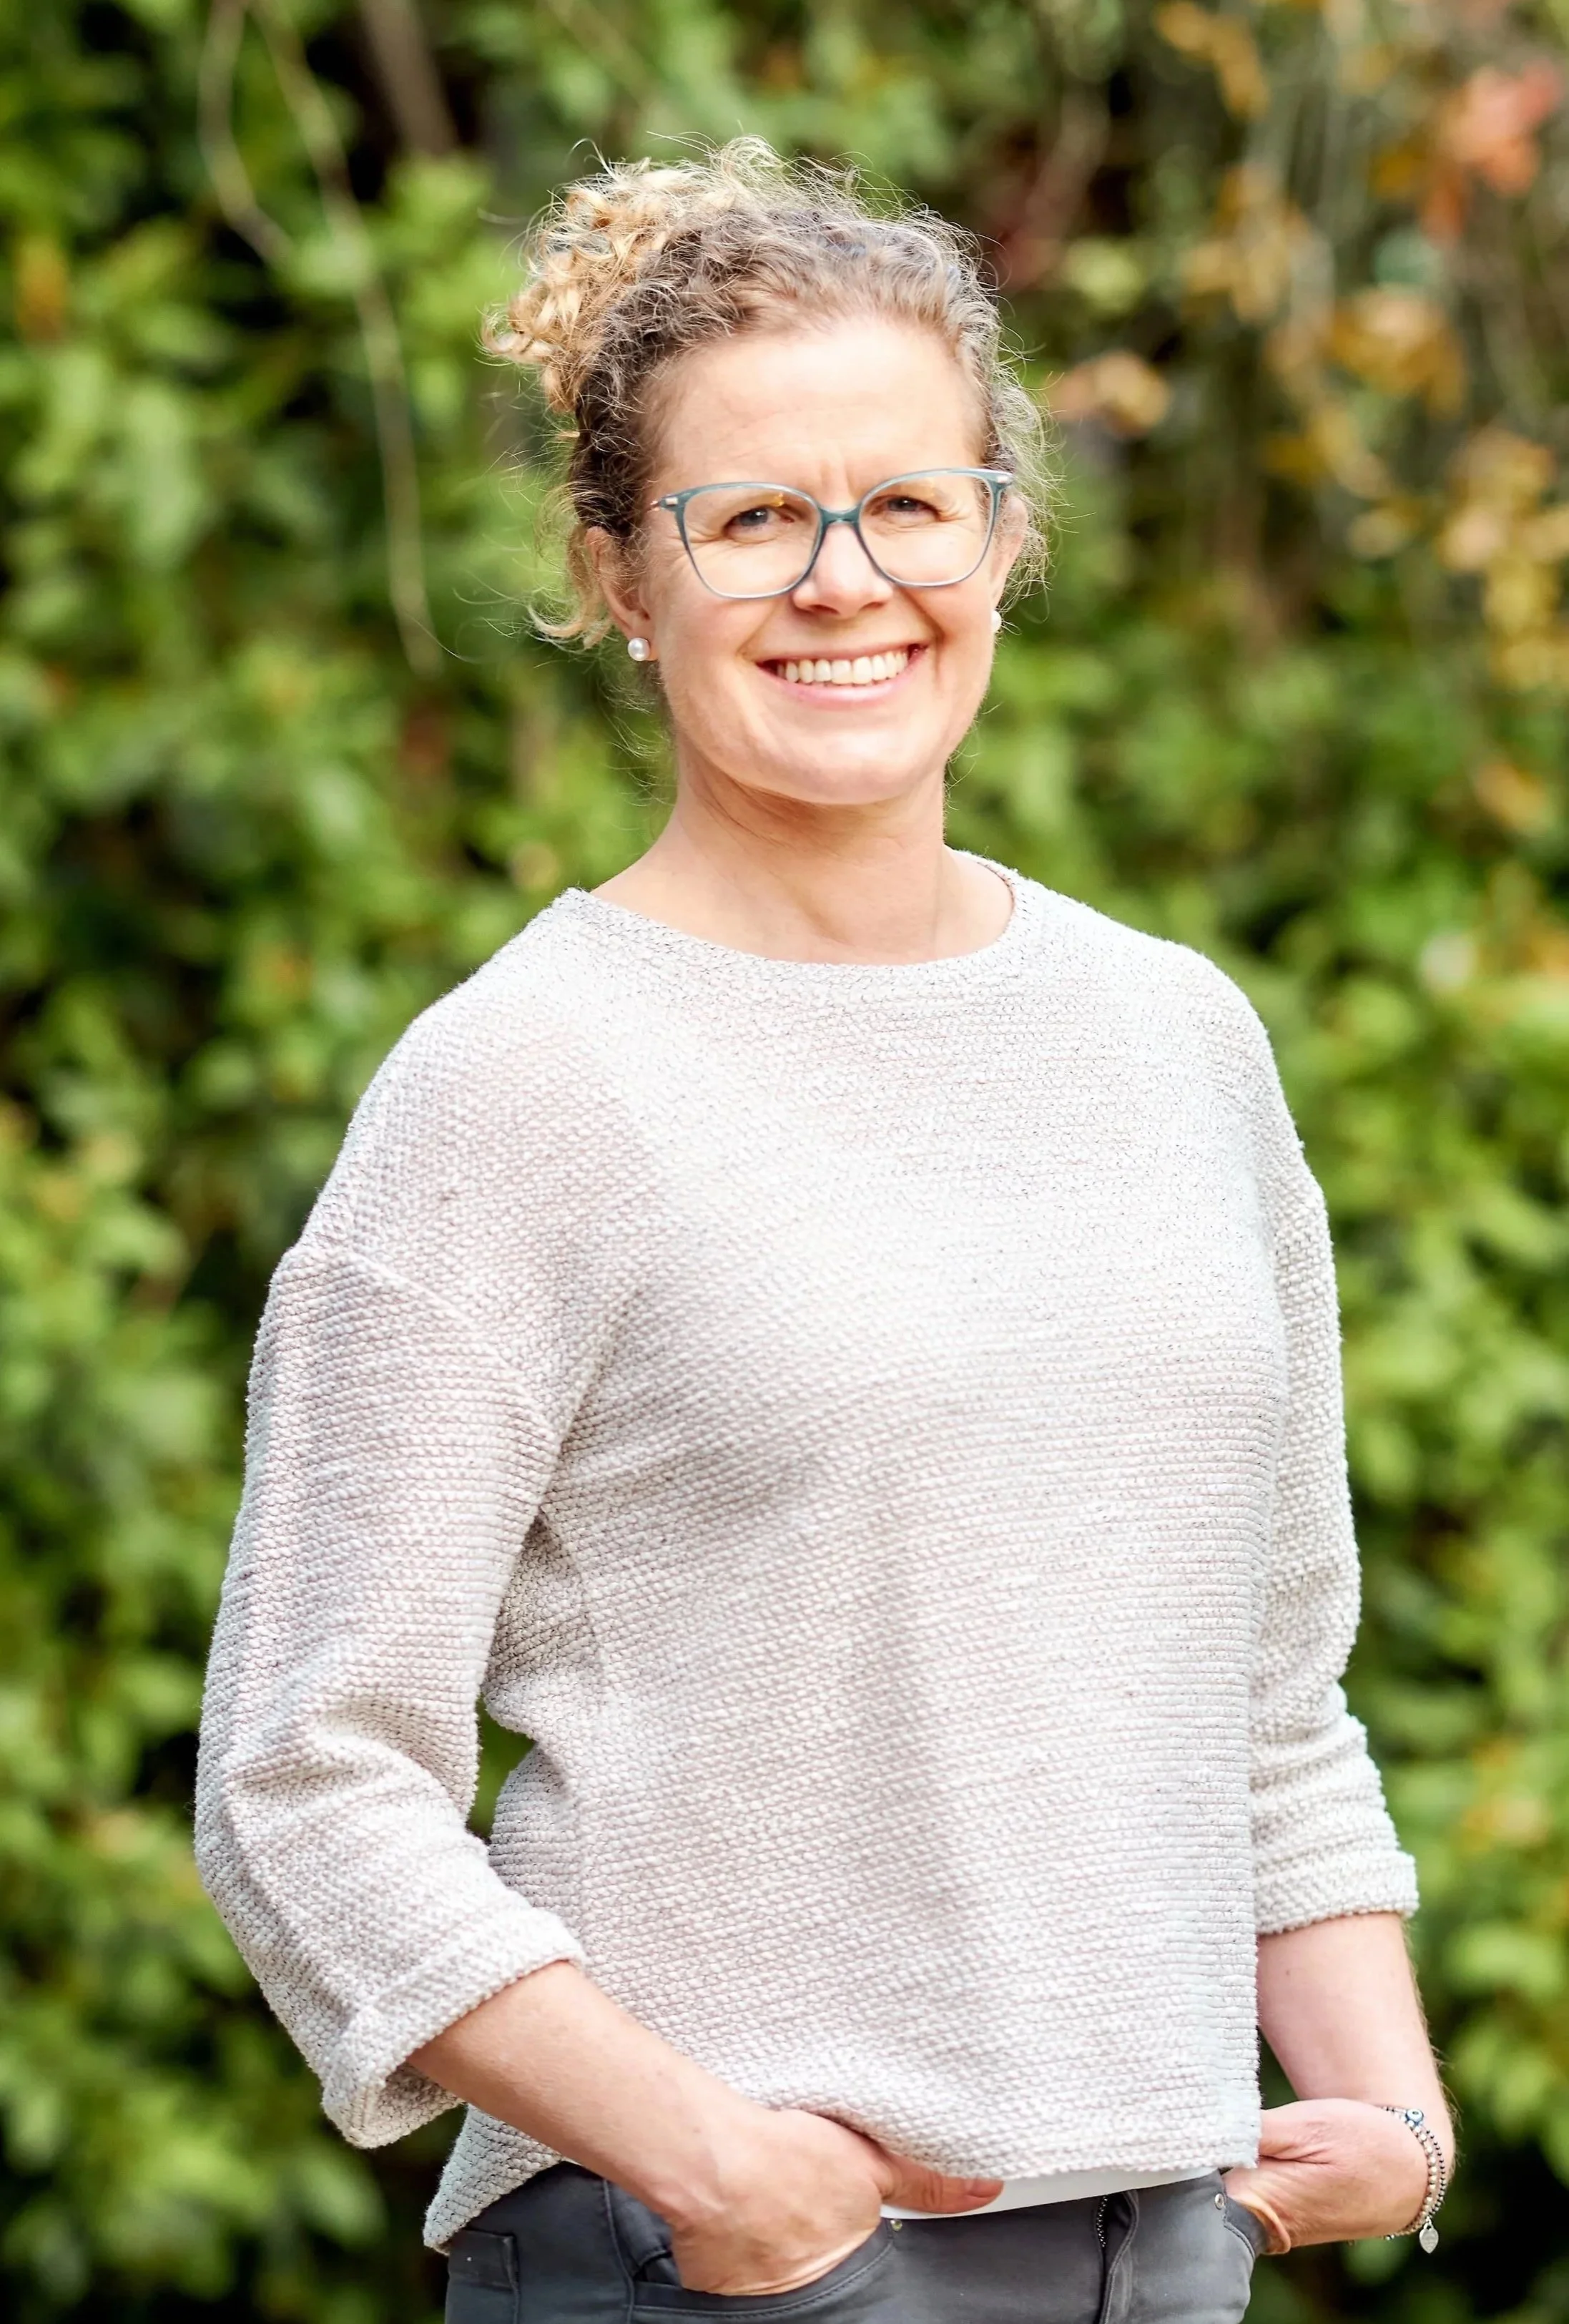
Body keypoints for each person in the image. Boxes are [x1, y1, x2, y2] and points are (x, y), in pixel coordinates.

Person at [195, 140, 1453, 2324]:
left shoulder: (1178, 1041)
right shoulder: (525, 1085)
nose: (844, 579)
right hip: (721, 2266)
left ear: (1003, 533)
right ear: (618, 573)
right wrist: (721, 2178)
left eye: (909, 502)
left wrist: (1395, 2117)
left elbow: (1266, 1683)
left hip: (1169, 2252)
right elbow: (308, 1773)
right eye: (753, 515)